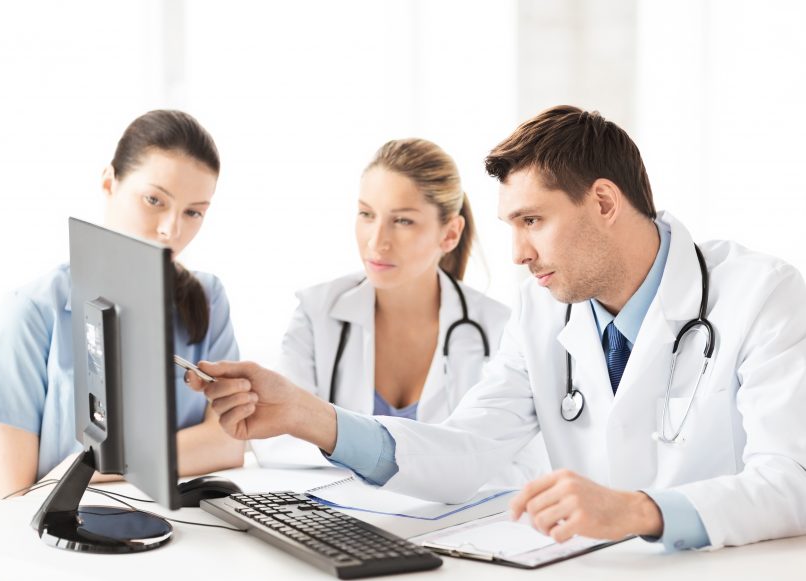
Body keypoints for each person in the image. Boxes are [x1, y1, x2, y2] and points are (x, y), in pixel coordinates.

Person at [188, 106, 806, 551]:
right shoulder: (545, 309)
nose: (516, 253)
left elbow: (792, 482)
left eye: (533, 221)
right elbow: (467, 450)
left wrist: (638, 510)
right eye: (511, 226)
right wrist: (307, 416)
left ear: (605, 203)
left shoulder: (762, 295)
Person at [0, 110, 245, 499]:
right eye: (154, 200)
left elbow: (228, 443)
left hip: (183, 538)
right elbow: (11, 495)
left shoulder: (209, 298)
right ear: (109, 182)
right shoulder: (32, 311)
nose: (171, 230)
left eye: (193, 212)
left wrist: (88, 467)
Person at [258, 138, 543, 484]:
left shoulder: (500, 329)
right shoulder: (318, 311)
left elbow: (519, 469)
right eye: (366, 214)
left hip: (449, 530)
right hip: (338, 521)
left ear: (450, 234)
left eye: (403, 221)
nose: (377, 241)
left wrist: (352, 448)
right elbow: (277, 440)